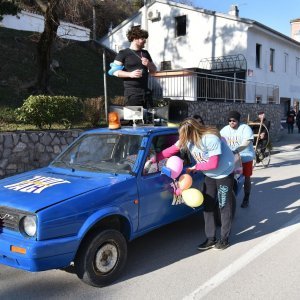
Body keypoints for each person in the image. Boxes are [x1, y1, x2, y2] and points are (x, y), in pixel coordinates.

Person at [151, 118, 235, 250]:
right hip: (210, 174)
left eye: (183, 135)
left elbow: (213, 163)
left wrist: (195, 167)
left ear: (192, 132)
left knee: (224, 205)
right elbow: (171, 150)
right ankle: (210, 239)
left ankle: (224, 239)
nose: (181, 138)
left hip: (224, 172)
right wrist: (155, 158)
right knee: (207, 204)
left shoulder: (210, 138)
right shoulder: (186, 139)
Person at [108, 26, 157, 108]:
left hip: (146, 93)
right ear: (135, 38)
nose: (145, 41)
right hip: (132, 94)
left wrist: (149, 64)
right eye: (142, 38)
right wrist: (130, 74)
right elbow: (113, 72)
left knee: (149, 119)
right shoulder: (123, 53)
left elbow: (154, 71)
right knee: (134, 119)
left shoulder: (145, 53)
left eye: (145, 38)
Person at [220, 111, 255, 208]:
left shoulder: (245, 128)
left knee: (246, 177)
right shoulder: (224, 130)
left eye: (234, 121)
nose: (231, 122)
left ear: (238, 121)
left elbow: (247, 142)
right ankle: (231, 198)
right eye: (229, 120)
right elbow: (219, 141)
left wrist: (236, 150)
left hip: (245, 157)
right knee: (230, 178)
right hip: (231, 159)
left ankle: (246, 198)